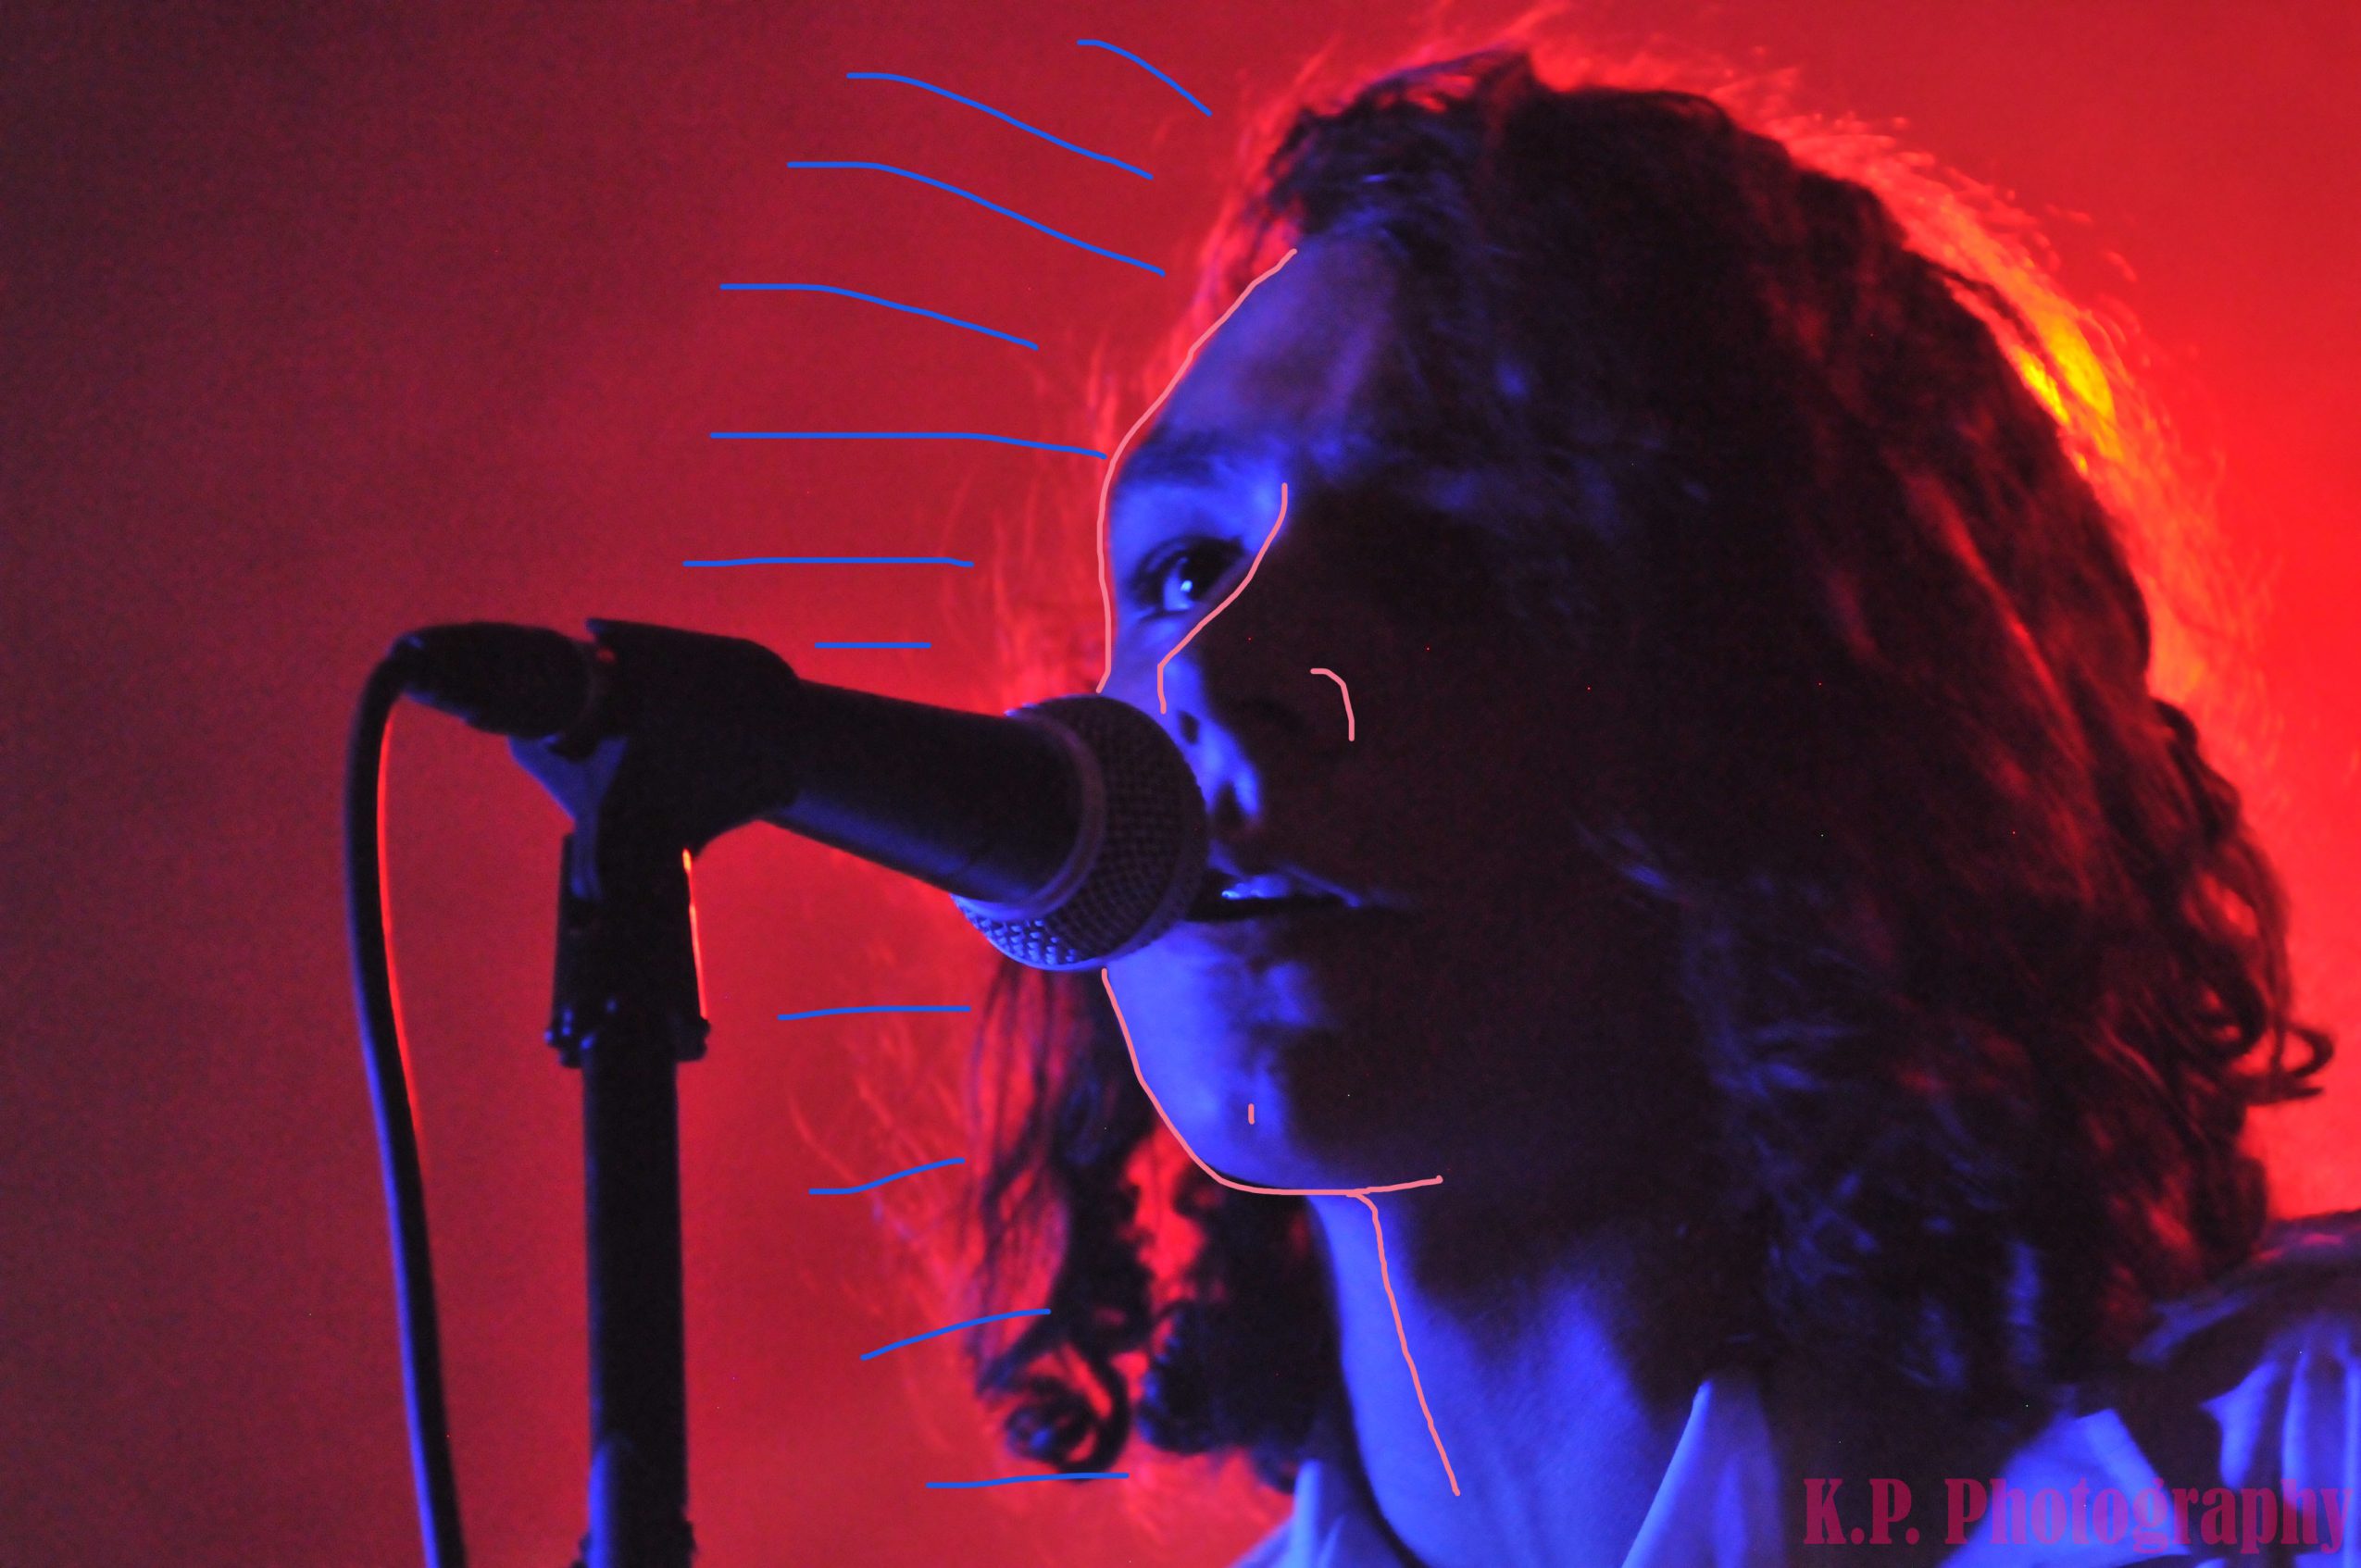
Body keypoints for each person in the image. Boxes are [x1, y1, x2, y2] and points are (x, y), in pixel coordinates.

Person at [956, 44, 2348, 1568]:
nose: (1209, 674)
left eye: (1435, 552)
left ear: (1816, 697)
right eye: (1180, 568)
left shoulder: (2302, 1466)